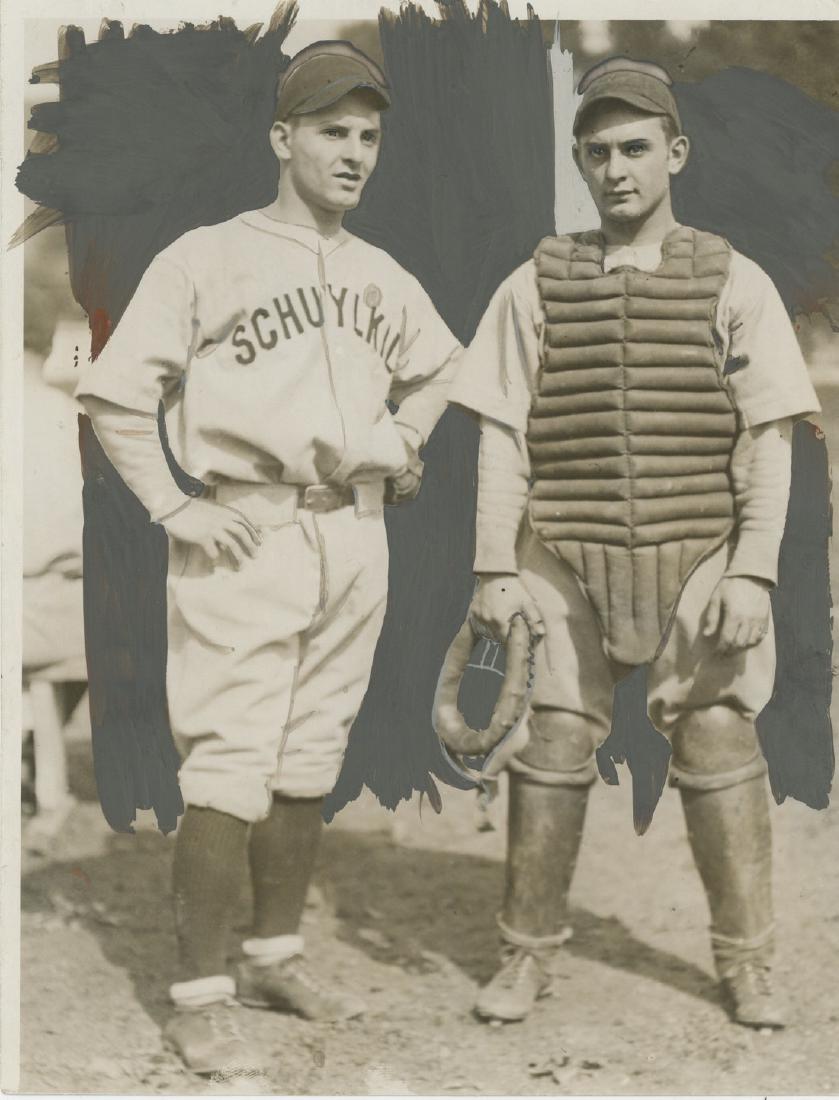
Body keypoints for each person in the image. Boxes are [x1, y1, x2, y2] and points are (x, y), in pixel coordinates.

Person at [75, 40, 460, 1075]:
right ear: (281, 137)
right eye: (332, 130)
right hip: (246, 525)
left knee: (309, 755)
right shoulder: (208, 255)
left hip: (353, 530)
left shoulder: (381, 273)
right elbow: (115, 392)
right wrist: (170, 504)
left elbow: (440, 368)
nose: (354, 153)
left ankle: (274, 951)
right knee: (230, 762)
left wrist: (403, 442)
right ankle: (198, 993)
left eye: (369, 136)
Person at [447, 56, 820, 1031]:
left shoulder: (728, 278)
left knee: (714, 731)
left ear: (674, 153)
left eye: (634, 148)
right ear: (579, 160)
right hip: (564, 543)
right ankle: (525, 954)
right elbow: (498, 430)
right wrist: (493, 563)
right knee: (554, 740)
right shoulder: (534, 280)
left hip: (697, 540)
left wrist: (751, 569)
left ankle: (747, 962)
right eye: (597, 150)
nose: (615, 167)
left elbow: (768, 436)